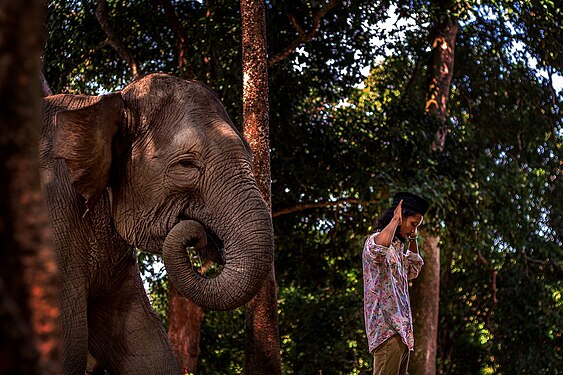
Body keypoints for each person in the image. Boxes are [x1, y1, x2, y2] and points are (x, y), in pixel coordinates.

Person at [363, 192, 429, 375]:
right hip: (387, 333)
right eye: (412, 224)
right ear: (400, 216)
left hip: (402, 334)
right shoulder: (373, 242)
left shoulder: (398, 251)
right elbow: (378, 250)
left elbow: (413, 269)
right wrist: (395, 220)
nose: (413, 230)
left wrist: (413, 237)